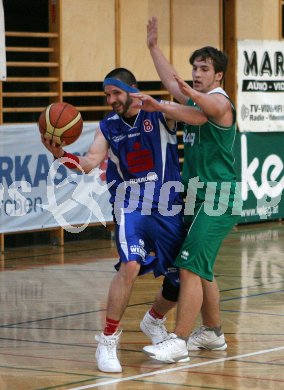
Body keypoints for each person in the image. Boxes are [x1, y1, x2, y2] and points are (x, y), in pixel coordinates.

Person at [41, 67, 190, 372]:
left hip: (167, 206)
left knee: (179, 279)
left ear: (132, 90)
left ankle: (154, 319)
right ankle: (108, 341)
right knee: (130, 265)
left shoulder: (160, 113)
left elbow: (182, 96)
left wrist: (154, 52)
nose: (110, 100)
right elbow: (89, 163)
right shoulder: (107, 127)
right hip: (130, 204)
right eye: (107, 94)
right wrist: (60, 155)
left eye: (115, 93)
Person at [133, 17, 241, 363]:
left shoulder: (220, 103)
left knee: (190, 266)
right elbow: (176, 89)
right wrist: (153, 48)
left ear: (218, 75)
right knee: (202, 268)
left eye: (204, 68)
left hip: (219, 198)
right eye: (194, 67)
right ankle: (212, 334)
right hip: (196, 197)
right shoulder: (196, 102)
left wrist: (179, 96)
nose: (197, 72)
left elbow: (202, 107)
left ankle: (178, 340)